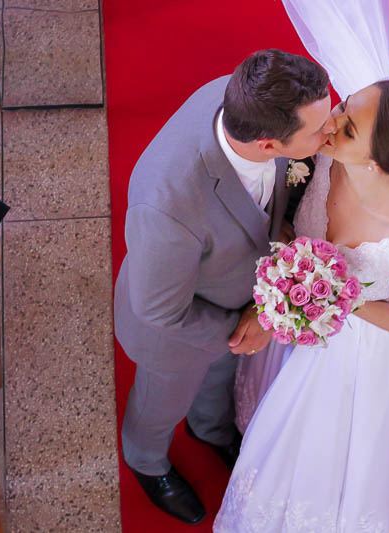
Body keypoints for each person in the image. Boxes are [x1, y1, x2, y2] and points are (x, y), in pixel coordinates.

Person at [214, 80, 389, 532]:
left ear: (376, 161)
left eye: (346, 128)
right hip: (315, 312)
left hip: (368, 348)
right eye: (344, 107)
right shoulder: (328, 153)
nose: (329, 124)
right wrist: (289, 245)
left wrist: (337, 297)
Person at [113, 49, 334, 524]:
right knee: (161, 404)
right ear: (268, 145)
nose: (330, 130)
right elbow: (161, 311)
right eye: (318, 131)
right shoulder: (167, 206)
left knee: (219, 379)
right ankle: (147, 463)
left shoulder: (241, 98)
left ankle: (210, 429)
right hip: (176, 332)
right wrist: (245, 327)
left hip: (237, 293)